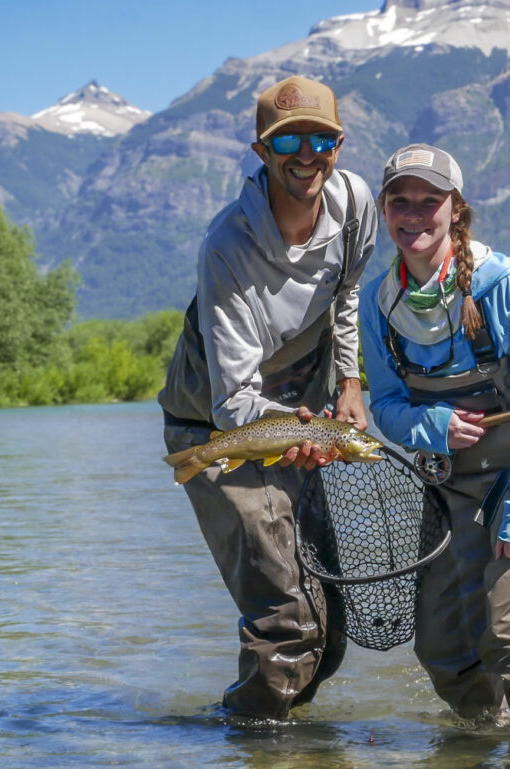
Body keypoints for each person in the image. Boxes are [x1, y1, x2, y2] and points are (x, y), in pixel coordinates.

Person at [158, 76, 378, 719]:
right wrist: (306, 435)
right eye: (288, 141)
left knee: (328, 631)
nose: (306, 154)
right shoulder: (227, 246)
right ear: (261, 151)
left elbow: (347, 297)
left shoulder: (357, 203)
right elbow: (234, 402)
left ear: (339, 146)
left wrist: (349, 383)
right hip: (215, 429)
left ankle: (284, 745)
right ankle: (248, 740)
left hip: (298, 416)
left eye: (321, 139)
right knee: (288, 625)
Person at [359, 144, 510, 725]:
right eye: (400, 202)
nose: (413, 215)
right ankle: (483, 743)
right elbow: (385, 406)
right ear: (384, 211)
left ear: (456, 210)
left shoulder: (503, 286)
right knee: (445, 648)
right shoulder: (376, 302)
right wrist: (432, 424)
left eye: (429, 202)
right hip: (458, 477)